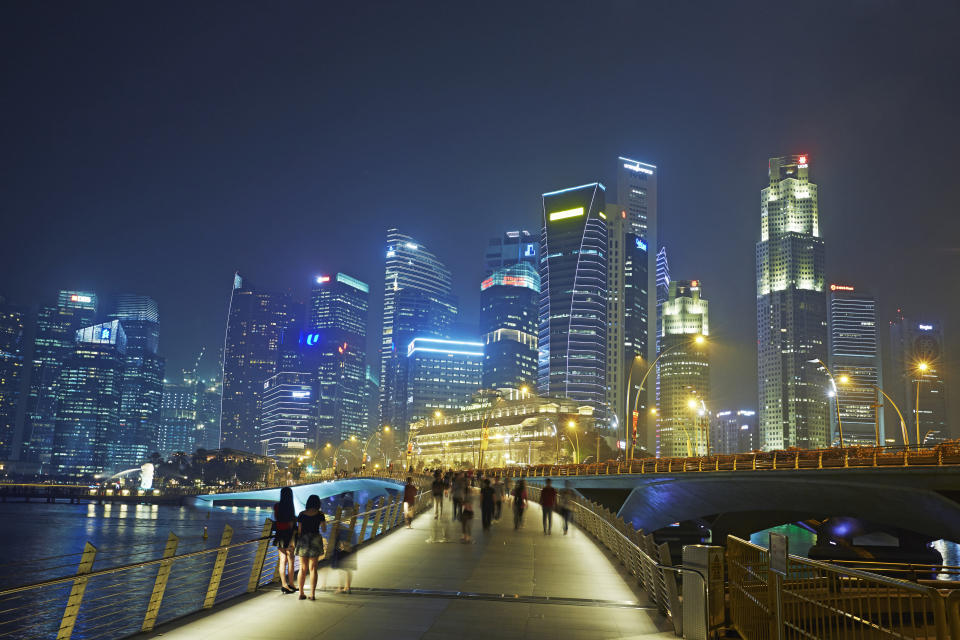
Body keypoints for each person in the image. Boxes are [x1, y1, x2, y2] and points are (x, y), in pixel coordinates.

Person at [295, 494, 326, 600]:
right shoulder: (320, 514)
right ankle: (312, 594)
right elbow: (324, 529)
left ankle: (301, 593)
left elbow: (299, 531)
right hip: (315, 540)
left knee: (302, 568)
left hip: (303, 540)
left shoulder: (301, 514)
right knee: (313, 568)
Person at [272, 487, 297, 594]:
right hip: (288, 535)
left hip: (279, 535)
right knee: (291, 561)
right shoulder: (290, 507)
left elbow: (277, 519)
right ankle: (291, 583)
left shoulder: (277, 506)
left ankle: (284, 585)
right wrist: (292, 539)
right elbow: (291, 525)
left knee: (282, 561)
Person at [331, 513, 357, 593]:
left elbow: (336, 533)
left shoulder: (339, 523)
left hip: (341, 546)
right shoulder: (352, 522)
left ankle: (341, 587)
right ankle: (348, 587)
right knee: (348, 567)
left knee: (341, 569)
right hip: (351, 544)